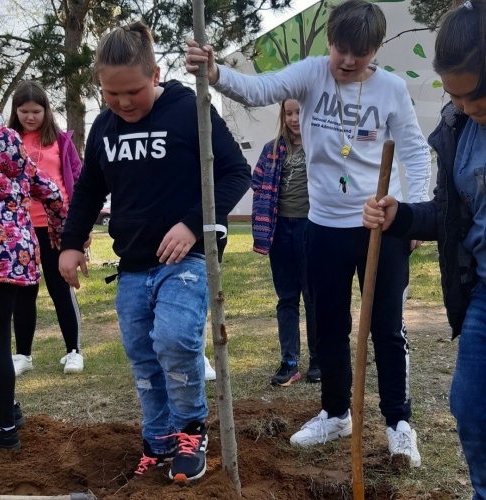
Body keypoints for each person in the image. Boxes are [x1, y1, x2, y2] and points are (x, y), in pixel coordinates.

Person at [186, 0, 431, 467]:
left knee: (386, 328)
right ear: (329, 42)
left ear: (375, 49)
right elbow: (259, 90)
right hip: (325, 227)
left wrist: (412, 213)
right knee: (329, 327)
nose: (346, 61)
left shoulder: (392, 90)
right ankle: (336, 413)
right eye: (340, 49)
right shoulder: (312, 74)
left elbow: (416, 154)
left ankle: (399, 424)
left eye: (358, 55)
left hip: (380, 227)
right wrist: (217, 73)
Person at [58, 22, 251, 483]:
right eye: (110, 93)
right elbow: (87, 190)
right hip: (132, 265)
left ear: (156, 73)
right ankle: (158, 439)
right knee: (143, 355)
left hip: (187, 259)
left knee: (176, 341)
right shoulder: (104, 128)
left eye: (133, 91)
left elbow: (235, 173)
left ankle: (190, 432)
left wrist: (193, 224)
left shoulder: (191, 110)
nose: (123, 103)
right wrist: (70, 243)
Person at [363, 0, 486, 495]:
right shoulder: (461, 128)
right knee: (471, 405)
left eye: (474, 99)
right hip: (483, 292)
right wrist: (402, 216)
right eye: (453, 98)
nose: (461, 109)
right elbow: (452, 215)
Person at [0, 114, 66, 449]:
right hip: (17, 255)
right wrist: (60, 238)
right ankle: (7, 414)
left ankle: (4, 429)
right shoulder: (15, 150)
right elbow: (53, 195)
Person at [7, 81, 84, 376]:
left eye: (36, 111)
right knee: (23, 292)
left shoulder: (61, 141)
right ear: (16, 112)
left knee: (60, 287)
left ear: (46, 111)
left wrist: (79, 224)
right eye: (24, 111)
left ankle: (73, 351)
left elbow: (77, 179)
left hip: (56, 227)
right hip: (21, 229)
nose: (30, 116)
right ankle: (23, 355)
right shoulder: (8, 140)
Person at [253, 99, 319, 386]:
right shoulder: (272, 149)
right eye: (289, 113)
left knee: (314, 297)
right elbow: (258, 181)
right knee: (287, 298)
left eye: (299, 112)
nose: (294, 119)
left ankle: (319, 359)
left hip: (312, 228)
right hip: (280, 230)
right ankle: (290, 361)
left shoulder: (321, 145)